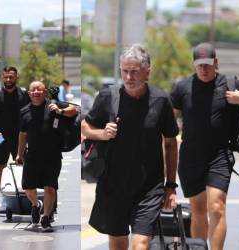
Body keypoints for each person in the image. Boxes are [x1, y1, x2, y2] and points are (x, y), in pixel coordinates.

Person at [81, 44, 179, 250]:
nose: (128, 77)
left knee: (141, 243)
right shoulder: (108, 96)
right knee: (118, 242)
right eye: (125, 71)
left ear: (147, 72)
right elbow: (85, 126)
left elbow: (170, 144)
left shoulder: (160, 100)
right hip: (113, 185)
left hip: (149, 187)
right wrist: (102, 134)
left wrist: (170, 186)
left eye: (134, 71)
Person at [171, 42, 239, 250]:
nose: (204, 69)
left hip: (220, 156)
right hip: (190, 157)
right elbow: (169, 120)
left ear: (216, 63)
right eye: (200, 65)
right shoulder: (182, 88)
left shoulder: (231, 84)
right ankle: (198, 248)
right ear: (194, 65)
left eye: (208, 64)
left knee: (216, 207)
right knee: (198, 209)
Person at [16, 81, 77, 232]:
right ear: (29, 93)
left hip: (52, 155)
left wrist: (60, 111)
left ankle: (46, 217)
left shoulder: (53, 105)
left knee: (50, 188)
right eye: (33, 90)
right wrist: (19, 153)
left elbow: (74, 110)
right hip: (32, 156)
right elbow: (22, 134)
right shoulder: (24, 111)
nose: (36, 92)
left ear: (44, 92)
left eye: (39, 89)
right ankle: (36, 205)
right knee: (29, 189)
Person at [0, 66, 29, 187]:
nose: (9, 79)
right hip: (1, 137)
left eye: (11, 77)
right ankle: (3, 195)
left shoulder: (24, 93)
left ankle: (25, 192)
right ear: (2, 78)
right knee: (1, 166)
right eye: (6, 77)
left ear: (16, 77)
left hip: (20, 136)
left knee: (22, 164)